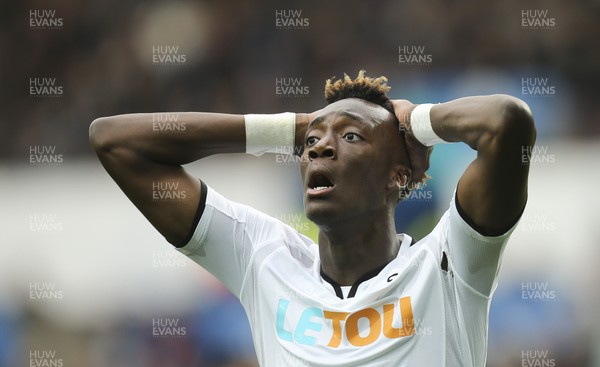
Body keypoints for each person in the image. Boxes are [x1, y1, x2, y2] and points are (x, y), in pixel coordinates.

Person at [89, 71, 536, 366]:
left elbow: (505, 122)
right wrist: (288, 129)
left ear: (398, 176)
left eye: (351, 136)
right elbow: (115, 142)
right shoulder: (264, 258)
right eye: (312, 142)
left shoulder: (447, 266)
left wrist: (415, 122)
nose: (320, 147)